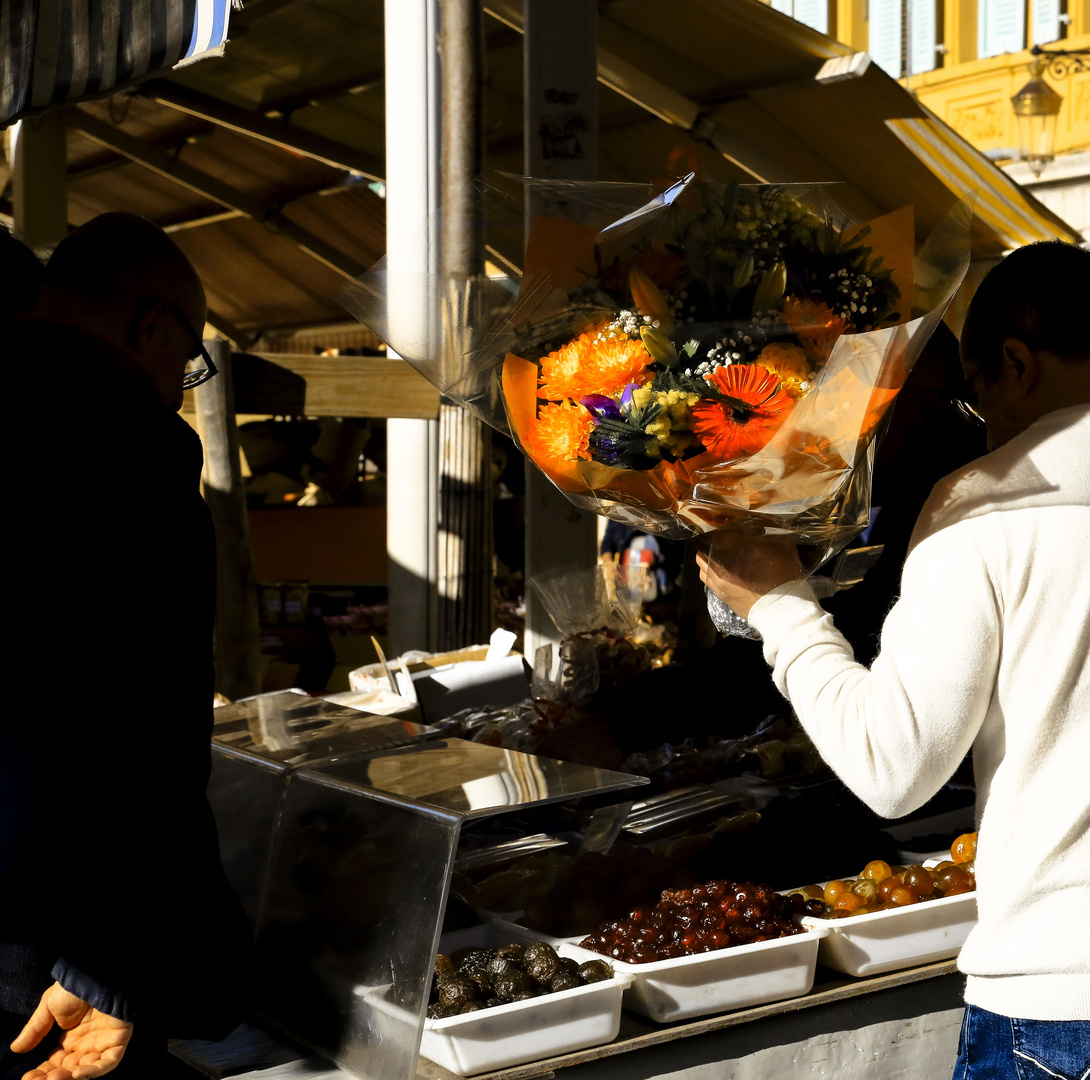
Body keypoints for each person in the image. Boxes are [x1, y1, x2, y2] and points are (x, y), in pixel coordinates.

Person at [699, 239, 1090, 1077]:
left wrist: (780, 607)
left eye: (975, 397)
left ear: (1016, 363)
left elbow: (893, 767)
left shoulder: (991, 501)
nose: (980, 427)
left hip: (1064, 997)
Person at [1, 213, 251, 1079]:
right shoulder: (123, 436)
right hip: (40, 914)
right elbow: (145, 718)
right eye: (187, 362)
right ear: (155, 322)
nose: (181, 387)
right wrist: (115, 961)